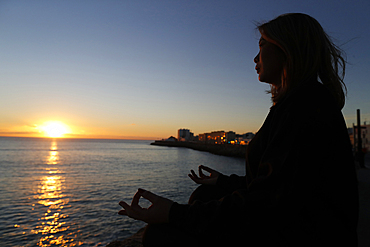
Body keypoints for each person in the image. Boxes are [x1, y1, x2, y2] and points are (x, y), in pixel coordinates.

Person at [118, 13, 359, 246]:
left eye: (262, 45)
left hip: (305, 235)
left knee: (159, 235)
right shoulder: (299, 102)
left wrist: (173, 212)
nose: (255, 58)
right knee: (205, 195)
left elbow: (270, 202)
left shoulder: (306, 106)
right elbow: (279, 182)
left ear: (288, 48)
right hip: (296, 225)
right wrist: (222, 181)